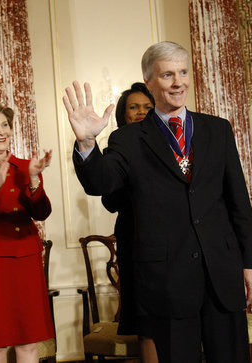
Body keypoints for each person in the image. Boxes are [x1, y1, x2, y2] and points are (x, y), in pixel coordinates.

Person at [63, 41, 252, 362]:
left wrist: (250, 263)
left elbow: (239, 203)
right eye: (167, 75)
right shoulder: (127, 138)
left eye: (183, 72)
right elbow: (102, 182)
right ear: (150, 82)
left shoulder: (218, 130)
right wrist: (86, 143)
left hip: (221, 276)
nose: (178, 82)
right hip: (167, 282)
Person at [0, 102, 54, 363]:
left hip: (25, 256)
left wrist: (34, 180)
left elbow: (41, 213)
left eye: (5, 125)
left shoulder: (26, 166)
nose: (1, 131)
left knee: (28, 341)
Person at [101, 82, 158, 363]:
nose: (141, 112)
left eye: (147, 107)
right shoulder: (117, 146)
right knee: (145, 321)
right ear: (123, 114)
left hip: (174, 242)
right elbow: (109, 201)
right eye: (133, 107)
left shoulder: (174, 142)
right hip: (134, 239)